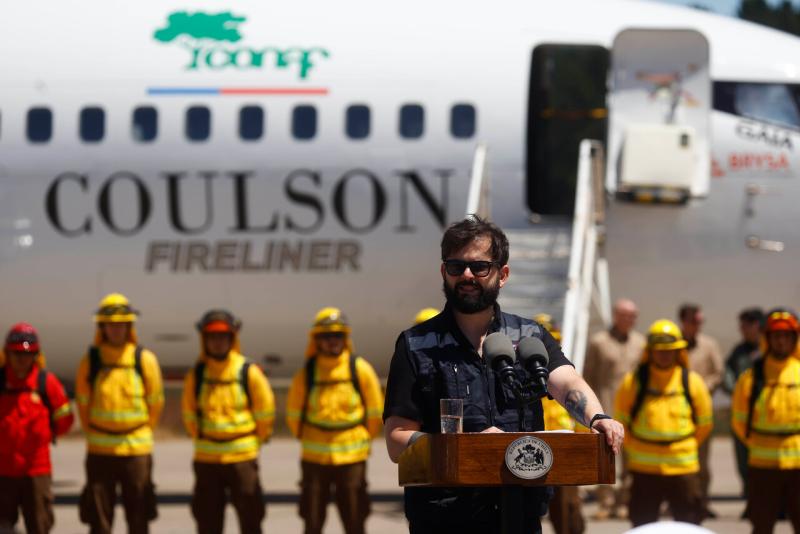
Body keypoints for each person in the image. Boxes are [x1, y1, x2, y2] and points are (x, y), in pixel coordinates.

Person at [383, 215, 624, 534]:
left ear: (503, 274)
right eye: (456, 267)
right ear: (444, 272)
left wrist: (597, 418)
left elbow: (567, 382)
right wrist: (465, 450)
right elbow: (397, 440)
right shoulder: (415, 346)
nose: (467, 275)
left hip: (519, 515)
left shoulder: (530, 336)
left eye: (480, 267)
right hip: (443, 519)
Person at [286, 307, 384, 534]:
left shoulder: (360, 369)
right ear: (316, 340)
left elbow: (374, 411)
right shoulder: (307, 373)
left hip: (351, 457)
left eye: (338, 335)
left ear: (346, 338)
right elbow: (293, 414)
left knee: (354, 518)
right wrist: (310, 438)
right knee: (312, 519)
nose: (332, 341)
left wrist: (360, 439)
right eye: (326, 336)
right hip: (314, 459)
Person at [75, 293, 164, 534]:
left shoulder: (144, 360)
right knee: (99, 518)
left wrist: (140, 432)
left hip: (136, 451)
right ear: (101, 327)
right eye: (110, 324)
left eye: (121, 324)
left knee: (139, 515)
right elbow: (83, 404)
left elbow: (155, 402)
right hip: (100, 452)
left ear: (129, 326)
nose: (116, 329)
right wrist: (96, 433)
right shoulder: (91, 361)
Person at [182, 309, 276, 534]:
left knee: (251, 521)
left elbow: (265, 412)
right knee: (208, 523)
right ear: (204, 340)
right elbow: (189, 414)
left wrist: (252, 443)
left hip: (242, 459)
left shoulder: (248, 372)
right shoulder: (197, 374)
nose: (217, 342)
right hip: (207, 461)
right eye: (212, 337)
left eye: (223, 337)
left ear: (232, 339)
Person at [615, 319, 713, 527]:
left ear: (679, 352)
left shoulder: (692, 382)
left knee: (689, 523)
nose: (664, 354)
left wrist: (682, 447)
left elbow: (705, 424)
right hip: (644, 470)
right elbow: (620, 421)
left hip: (683, 468)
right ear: (649, 352)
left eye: (670, 350)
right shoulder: (633, 382)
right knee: (642, 524)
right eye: (659, 350)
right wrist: (638, 448)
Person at [731, 309, 800, 534]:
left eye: (787, 336)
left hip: (799, 467)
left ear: (794, 339)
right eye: (776, 336)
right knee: (761, 526)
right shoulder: (750, 378)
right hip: (762, 468)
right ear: (768, 339)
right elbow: (739, 422)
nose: (781, 341)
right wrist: (762, 444)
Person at [0, 323, 73, 534]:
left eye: (28, 354)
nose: (22, 360)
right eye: (16, 354)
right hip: (3, 471)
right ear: (7, 354)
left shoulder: (46, 383)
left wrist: (42, 439)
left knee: (39, 525)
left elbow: (65, 419)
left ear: (36, 355)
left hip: (36, 471)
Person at [582, 298, 645, 519]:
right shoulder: (599, 342)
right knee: (605, 457)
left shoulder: (641, 343)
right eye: (626, 315)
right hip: (606, 407)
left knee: (630, 458)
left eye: (634, 316)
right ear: (616, 316)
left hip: (632, 411)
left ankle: (623, 502)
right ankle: (605, 502)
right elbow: (587, 377)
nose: (630, 320)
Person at [535, 313, 586, 534]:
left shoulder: (569, 377)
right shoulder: (512, 376)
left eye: (553, 342)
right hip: (530, 454)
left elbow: (583, 416)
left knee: (568, 515)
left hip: (565, 457)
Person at [678, 303, 723, 519]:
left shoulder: (709, 345)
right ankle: (677, 500)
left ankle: (702, 502)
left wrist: (703, 387)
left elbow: (719, 372)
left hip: (700, 412)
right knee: (677, 459)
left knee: (702, 462)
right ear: (684, 322)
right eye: (694, 321)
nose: (698, 326)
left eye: (700, 322)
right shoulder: (672, 345)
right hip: (675, 411)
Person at [722, 307, 764, 506]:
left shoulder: (770, 349)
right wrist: (737, 391)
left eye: (745, 326)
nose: (742, 330)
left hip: (767, 416)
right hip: (742, 416)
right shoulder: (739, 352)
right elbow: (727, 375)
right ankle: (751, 498)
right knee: (743, 460)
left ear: (757, 325)